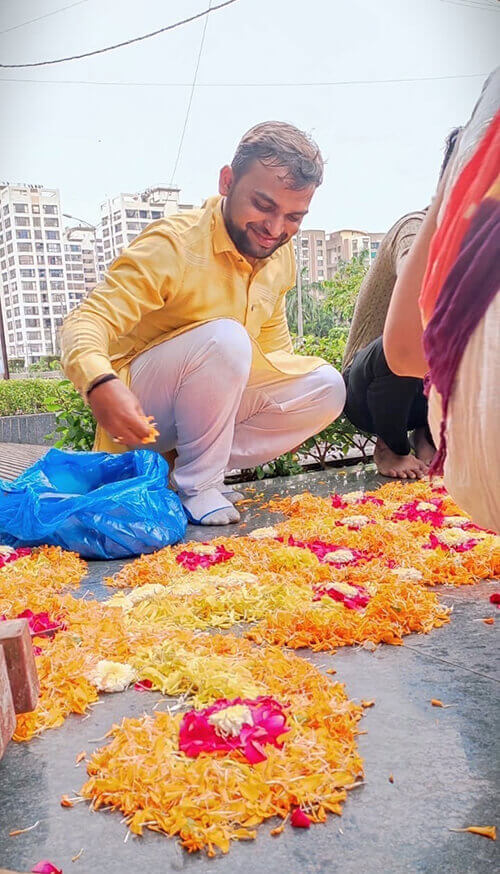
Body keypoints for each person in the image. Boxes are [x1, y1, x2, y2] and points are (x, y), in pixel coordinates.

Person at [61, 122, 346, 526]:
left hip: (203, 418)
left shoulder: (279, 254)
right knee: (226, 338)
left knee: (327, 388)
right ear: (227, 181)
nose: (275, 229)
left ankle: (190, 471)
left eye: (294, 216)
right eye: (263, 206)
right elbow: (86, 320)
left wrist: (284, 409)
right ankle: (199, 486)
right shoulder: (174, 244)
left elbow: (273, 351)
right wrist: (99, 383)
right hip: (139, 416)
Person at [384, 69, 499, 532]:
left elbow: (408, 347)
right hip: (378, 379)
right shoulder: (415, 224)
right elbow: (400, 352)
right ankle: (395, 443)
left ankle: (421, 438)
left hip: (479, 468)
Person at [341, 131, 461, 479]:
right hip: (368, 392)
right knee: (419, 329)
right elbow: (424, 292)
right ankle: (391, 447)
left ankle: (428, 435)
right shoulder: (415, 227)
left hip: (420, 396)